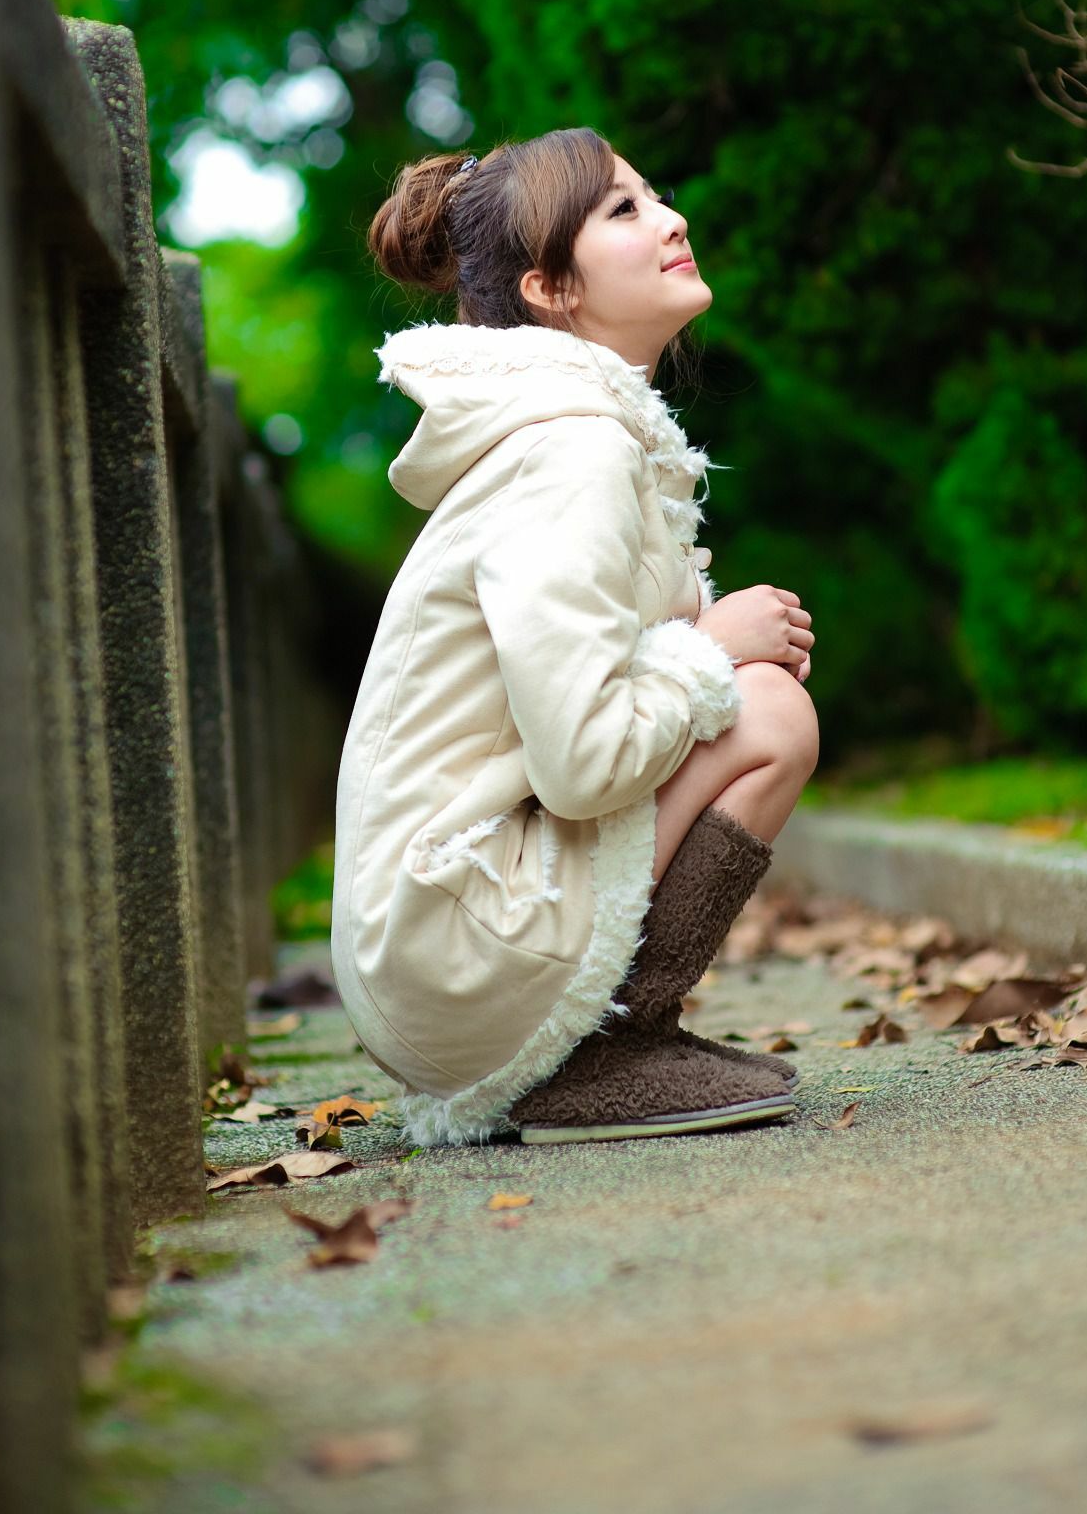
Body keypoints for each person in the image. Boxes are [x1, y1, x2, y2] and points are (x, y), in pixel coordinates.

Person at [332, 126, 819, 1147]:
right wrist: (713, 646)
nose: (672, 219)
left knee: (756, 689)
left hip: (446, 942)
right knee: (769, 707)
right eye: (625, 210)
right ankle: (586, 1059)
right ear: (551, 287)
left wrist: (699, 636)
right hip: (455, 947)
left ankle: (608, 1043)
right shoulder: (572, 453)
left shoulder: (578, 436)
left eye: (656, 195)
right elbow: (583, 761)